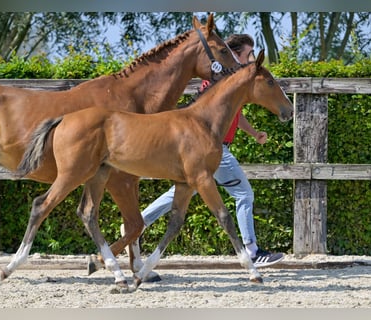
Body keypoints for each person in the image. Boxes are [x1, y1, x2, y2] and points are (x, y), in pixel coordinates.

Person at [122, 34, 284, 268]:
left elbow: (236, 114)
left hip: (216, 148)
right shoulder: (219, 81)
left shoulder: (233, 83)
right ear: (236, 54)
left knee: (183, 191)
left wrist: (253, 133)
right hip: (213, 149)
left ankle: (139, 221)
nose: (250, 58)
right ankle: (252, 251)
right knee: (244, 195)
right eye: (248, 53)